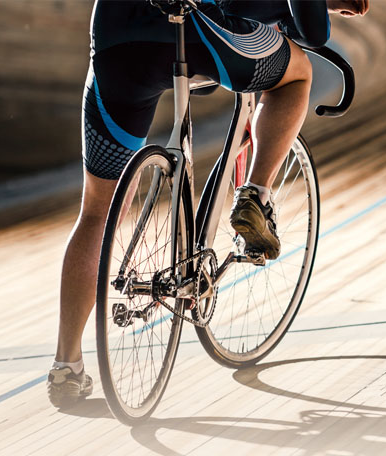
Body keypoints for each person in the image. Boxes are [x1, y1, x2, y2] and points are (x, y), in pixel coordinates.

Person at [47, 0, 369, 407]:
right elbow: (314, 30)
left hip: (115, 37)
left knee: (96, 211)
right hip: (199, 32)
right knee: (297, 73)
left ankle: (66, 364)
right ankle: (255, 194)